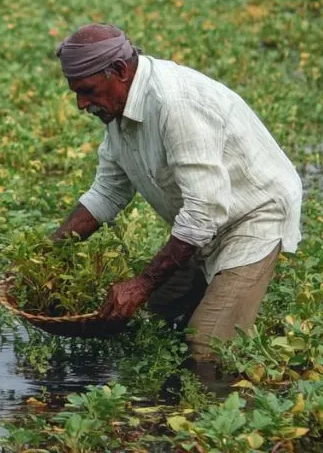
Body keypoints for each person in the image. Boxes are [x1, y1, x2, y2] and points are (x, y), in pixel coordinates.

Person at [50, 23, 302, 366]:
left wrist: (141, 284)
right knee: (146, 324)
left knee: (207, 349)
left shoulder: (175, 104)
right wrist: (47, 255)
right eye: (76, 93)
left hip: (251, 218)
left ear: (120, 71)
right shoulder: (117, 110)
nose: (82, 104)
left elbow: (204, 213)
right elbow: (107, 192)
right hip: (200, 225)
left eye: (89, 90)